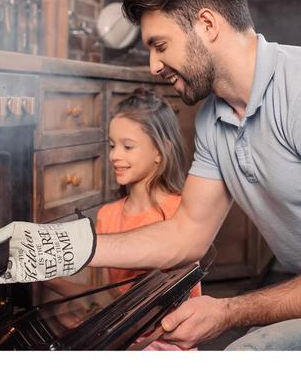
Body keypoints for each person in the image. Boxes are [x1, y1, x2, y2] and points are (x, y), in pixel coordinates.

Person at [0, 0, 301, 351]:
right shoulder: (211, 120)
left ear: (206, 25)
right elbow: (186, 234)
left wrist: (228, 311)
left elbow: (223, 301)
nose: (154, 65)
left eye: (160, 45)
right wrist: (67, 248)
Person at [45, 88, 201, 350]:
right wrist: (45, 276)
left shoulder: (181, 214)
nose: (115, 155)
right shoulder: (108, 215)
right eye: (112, 145)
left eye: (128, 147)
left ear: (160, 152)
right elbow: (107, 301)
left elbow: (185, 308)